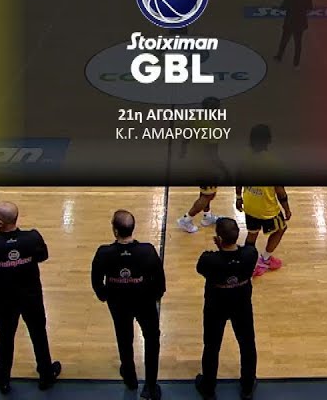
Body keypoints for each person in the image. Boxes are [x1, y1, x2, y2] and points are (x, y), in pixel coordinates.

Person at [0, 202, 62, 394]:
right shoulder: (32, 238)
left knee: (6, 337)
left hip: (5, 300)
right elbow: (42, 256)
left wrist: (0, 267)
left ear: (0, 223)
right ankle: (46, 374)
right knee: (38, 334)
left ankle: (3, 378)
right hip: (32, 297)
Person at [91, 210, 165, 399]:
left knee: (124, 338)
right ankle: (150, 385)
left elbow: (96, 280)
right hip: (145, 303)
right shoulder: (147, 251)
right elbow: (160, 281)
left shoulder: (104, 253)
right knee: (151, 339)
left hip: (118, 304)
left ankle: (130, 377)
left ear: (115, 231)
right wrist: (154, 296)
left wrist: (104, 295)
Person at [195, 217, 259, 400]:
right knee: (247, 344)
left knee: (211, 346)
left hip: (216, 306)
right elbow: (242, 255)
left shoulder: (209, 260)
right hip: (242, 305)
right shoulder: (250, 255)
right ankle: (247, 387)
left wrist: (220, 249)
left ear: (218, 238)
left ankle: (208, 388)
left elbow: (201, 268)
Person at [236, 124, 290, 277]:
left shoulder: (244, 158)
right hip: (266, 208)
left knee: (252, 233)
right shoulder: (272, 163)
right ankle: (264, 259)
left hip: (249, 204)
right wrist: (287, 208)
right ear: (269, 140)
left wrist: (238, 197)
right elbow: (280, 191)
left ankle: (246, 264)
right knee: (281, 228)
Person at [177, 96, 226, 234]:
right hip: (207, 166)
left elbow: (186, 135)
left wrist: (183, 151)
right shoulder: (212, 128)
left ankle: (207, 216)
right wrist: (225, 170)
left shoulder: (195, 118)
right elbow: (213, 155)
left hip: (195, 161)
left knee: (205, 192)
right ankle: (186, 219)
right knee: (208, 196)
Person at [274, 0, 313, 68]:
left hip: (290, 21)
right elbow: (309, 8)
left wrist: (277, 7)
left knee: (284, 40)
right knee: (298, 43)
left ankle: (279, 56)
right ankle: (296, 62)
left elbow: (283, 7)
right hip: (301, 22)